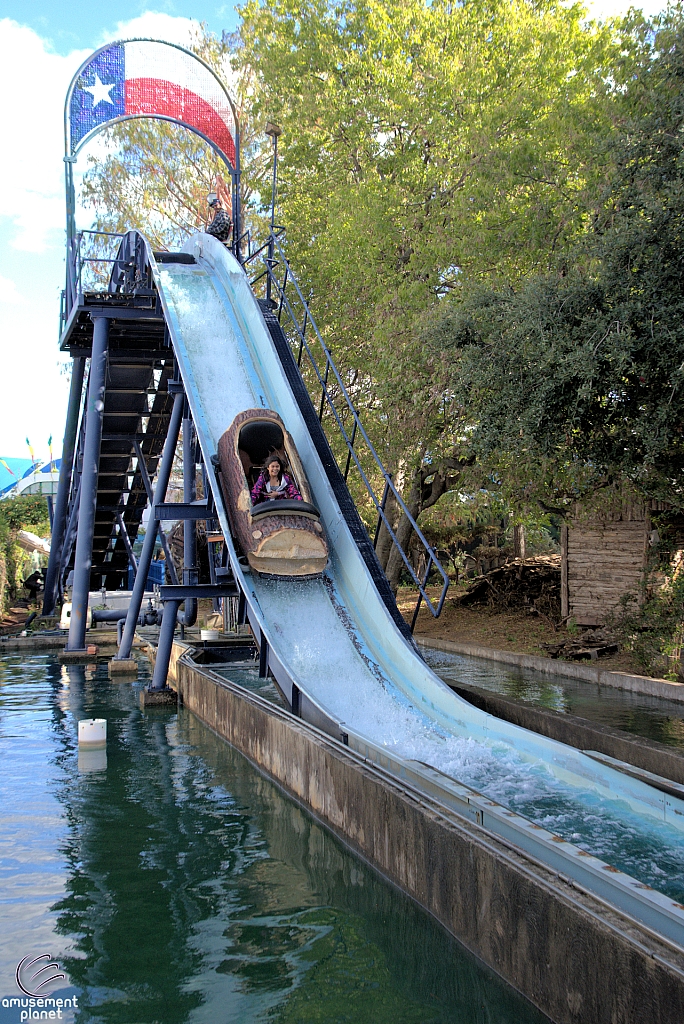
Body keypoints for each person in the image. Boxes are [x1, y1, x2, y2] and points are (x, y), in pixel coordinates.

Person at [206, 177, 233, 244]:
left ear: (220, 204)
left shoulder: (223, 213)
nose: (215, 207)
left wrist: (211, 231)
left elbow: (224, 225)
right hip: (214, 236)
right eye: (213, 206)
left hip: (219, 236)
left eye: (216, 205)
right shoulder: (218, 214)